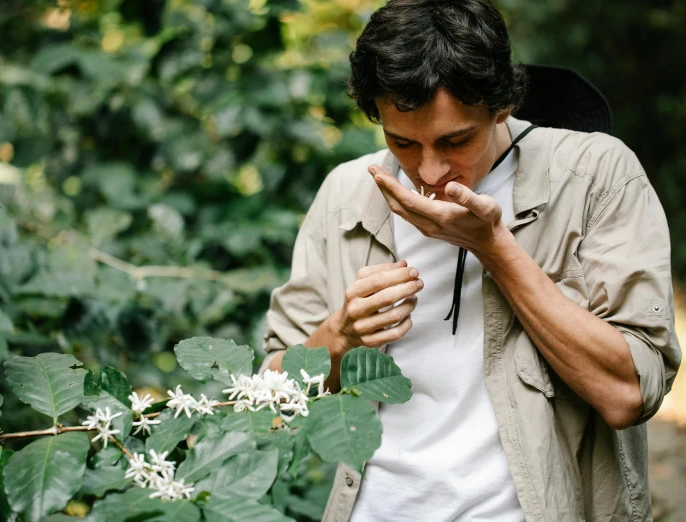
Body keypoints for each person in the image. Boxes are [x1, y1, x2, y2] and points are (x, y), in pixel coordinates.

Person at [261, 0, 681, 520]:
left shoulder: (596, 174)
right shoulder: (348, 192)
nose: (430, 170)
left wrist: (494, 247)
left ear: (502, 105)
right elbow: (269, 398)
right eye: (402, 142)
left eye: (456, 140)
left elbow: (629, 394)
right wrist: (338, 336)